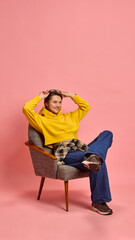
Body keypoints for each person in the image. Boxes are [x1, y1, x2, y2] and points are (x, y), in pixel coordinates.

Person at [23, 89, 113, 215]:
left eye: (60, 102)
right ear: (46, 104)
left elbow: (85, 106)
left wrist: (72, 96)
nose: (58, 105)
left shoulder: (70, 117)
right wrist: (39, 97)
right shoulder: (41, 120)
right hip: (66, 153)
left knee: (107, 134)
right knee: (98, 160)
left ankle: (92, 156)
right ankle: (98, 202)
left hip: (81, 149)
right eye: (54, 102)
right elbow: (26, 109)